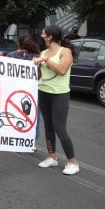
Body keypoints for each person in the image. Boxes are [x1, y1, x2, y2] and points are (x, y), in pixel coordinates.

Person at [32, 25, 79, 175]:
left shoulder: (65, 51)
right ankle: (52, 157)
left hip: (59, 94)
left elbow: (61, 70)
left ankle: (73, 162)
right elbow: (40, 74)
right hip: (43, 92)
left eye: (43, 33)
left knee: (60, 127)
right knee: (48, 126)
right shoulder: (44, 52)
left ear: (50, 37)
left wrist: (45, 60)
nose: (41, 34)